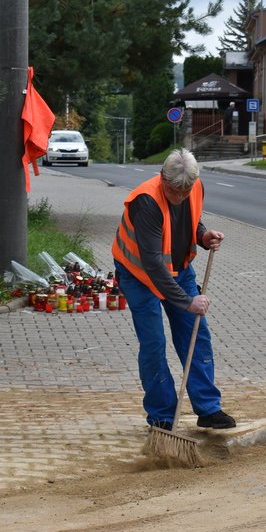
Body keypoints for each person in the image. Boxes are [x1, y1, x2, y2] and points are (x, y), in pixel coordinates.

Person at [112, 149, 236, 431]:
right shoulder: (146, 202)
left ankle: (208, 408)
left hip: (179, 270)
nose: (180, 196)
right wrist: (187, 301)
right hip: (140, 276)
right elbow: (154, 265)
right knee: (154, 343)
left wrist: (203, 236)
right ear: (163, 178)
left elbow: (189, 221)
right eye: (174, 191)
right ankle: (162, 415)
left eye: (185, 191)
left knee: (196, 334)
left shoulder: (194, 187)